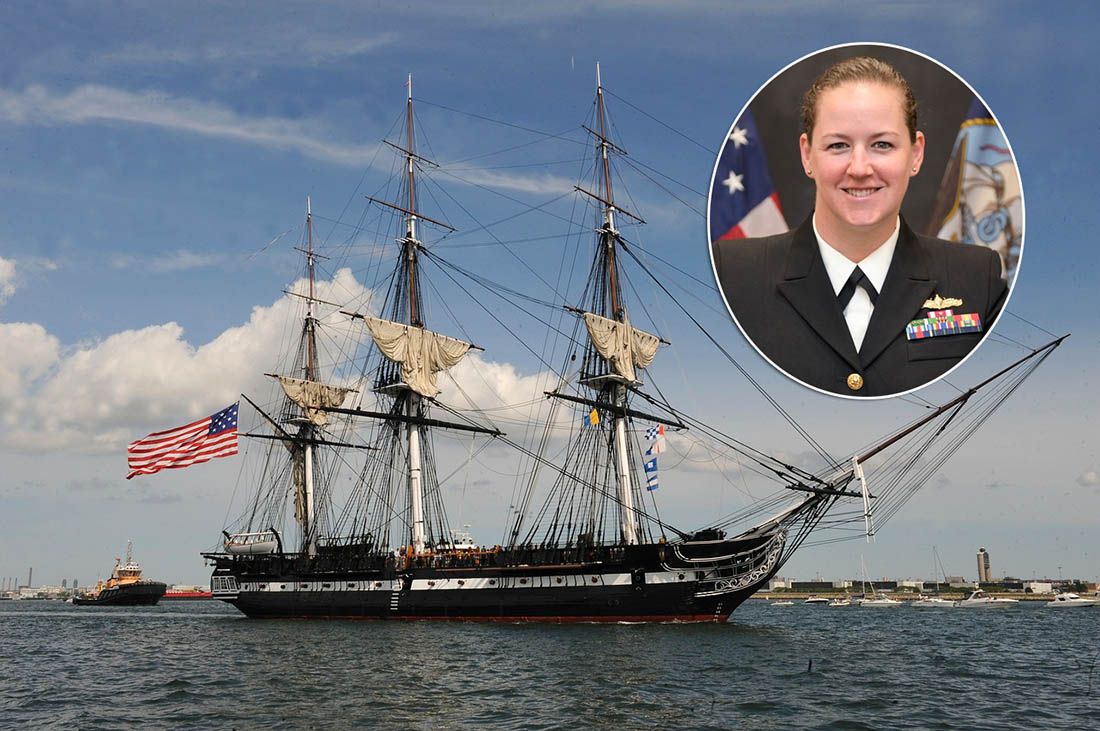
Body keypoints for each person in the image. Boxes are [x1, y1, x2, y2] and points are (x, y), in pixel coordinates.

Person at [712, 56, 1007, 397]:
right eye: (838, 145)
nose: (860, 168)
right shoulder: (732, 275)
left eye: (882, 144)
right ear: (807, 155)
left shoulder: (977, 278)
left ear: (916, 154)